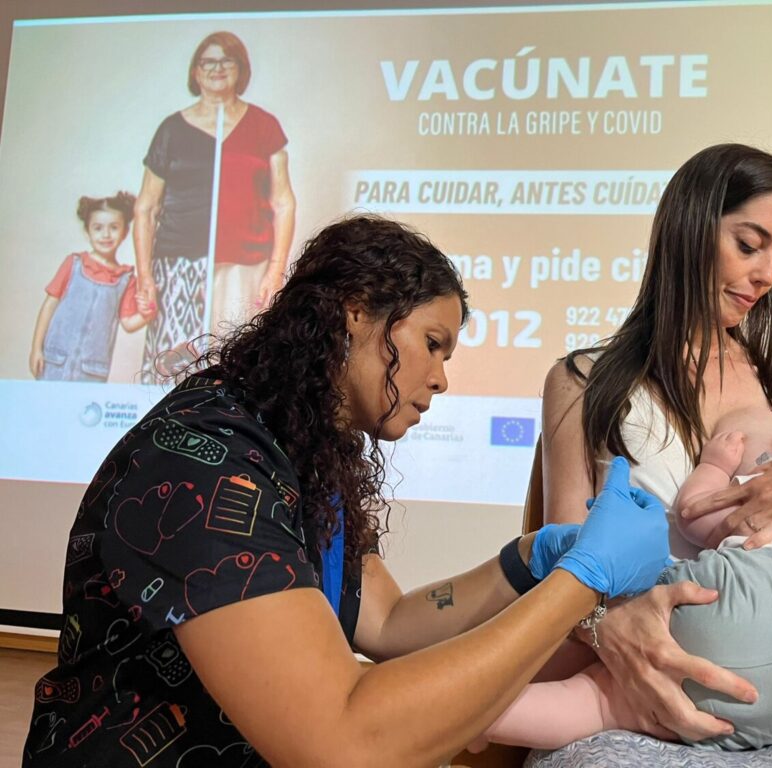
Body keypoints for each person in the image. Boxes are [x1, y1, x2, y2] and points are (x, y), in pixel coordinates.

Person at [23, 215, 677, 767]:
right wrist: (583, 580)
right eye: (432, 344)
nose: (442, 378)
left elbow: (391, 624)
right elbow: (340, 742)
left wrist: (530, 560)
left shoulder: (300, 450)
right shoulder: (208, 462)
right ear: (356, 311)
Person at [539, 144, 772, 755]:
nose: (767, 275)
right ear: (689, 229)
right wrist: (616, 636)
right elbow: (559, 562)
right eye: (750, 244)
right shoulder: (585, 384)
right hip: (637, 676)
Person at [470, 400, 772, 753]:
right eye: (749, 248)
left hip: (745, 600)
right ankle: (480, 714)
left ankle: (466, 712)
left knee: (619, 592)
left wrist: (716, 466)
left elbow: (695, 516)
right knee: (605, 707)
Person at [135, 31, 296, 383]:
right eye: (208, 61)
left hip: (245, 267)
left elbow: (283, 201)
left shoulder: (264, 125)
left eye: (227, 60)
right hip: (179, 265)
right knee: (175, 370)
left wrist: (275, 270)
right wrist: (145, 276)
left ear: (241, 68)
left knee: (237, 370)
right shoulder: (171, 129)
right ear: (195, 71)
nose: (217, 68)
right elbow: (145, 208)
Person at [29, 192, 154, 382]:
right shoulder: (73, 264)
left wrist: (148, 314)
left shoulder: (126, 279)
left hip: (92, 371)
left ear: (125, 232)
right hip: (54, 362)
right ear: (87, 232)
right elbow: (49, 306)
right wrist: (36, 349)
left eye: (113, 227)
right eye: (98, 228)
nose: (105, 234)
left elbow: (129, 324)